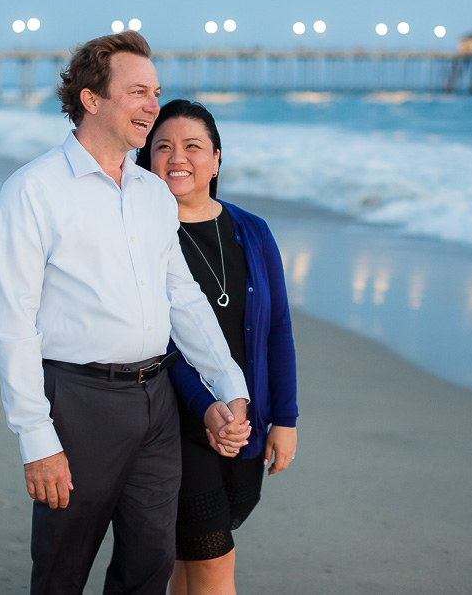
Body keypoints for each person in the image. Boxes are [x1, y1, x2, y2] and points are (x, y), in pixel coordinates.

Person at [0, 32, 252, 595]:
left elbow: (182, 297)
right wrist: (37, 437)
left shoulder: (152, 194)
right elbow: (14, 323)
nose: (153, 106)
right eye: (137, 91)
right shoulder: (32, 191)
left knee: (149, 565)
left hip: (156, 403)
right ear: (91, 99)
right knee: (62, 569)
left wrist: (228, 380)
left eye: (155, 91)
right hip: (78, 403)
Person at [136, 99, 299, 595]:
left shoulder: (252, 230)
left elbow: (278, 330)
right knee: (213, 562)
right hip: (176, 426)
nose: (176, 156)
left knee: (189, 562)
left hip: (247, 421)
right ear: (146, 159)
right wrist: (209, 407)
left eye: (192, 146)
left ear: (217, 159)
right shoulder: (140, 237)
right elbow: (160, 343)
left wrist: (285, 420)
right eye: (161, 146)